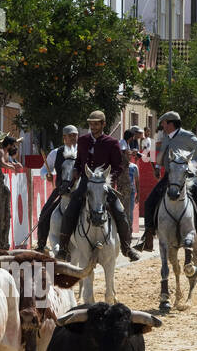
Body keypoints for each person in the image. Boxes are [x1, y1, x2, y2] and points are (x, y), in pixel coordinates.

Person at [55, 110, 140, 262]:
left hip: (103, 185)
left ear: (103, 124)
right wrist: (75, 170)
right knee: (70, 210)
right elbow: (79, 162)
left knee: (120, 212)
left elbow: (118, 166)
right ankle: (63, 247)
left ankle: (127, 247)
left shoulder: (112, 143)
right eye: (91, 124)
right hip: (85, 183)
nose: (93, 127)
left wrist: (106, 178)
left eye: (96, 124)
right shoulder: (82, 140)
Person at [138, 111, 197, 253]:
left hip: (187, 177)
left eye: (164, 123)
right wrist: (157, 167)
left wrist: (193, 165)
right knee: (149, 202)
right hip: (169, 176)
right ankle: (147, 238)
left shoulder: (187, 136)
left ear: (171, 123)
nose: (162, 126)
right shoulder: (166, 137)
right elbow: (163, 155)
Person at [35, 124, 78, 252]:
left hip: (79, 191)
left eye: (75, 135)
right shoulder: (56, 153)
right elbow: (43, 170)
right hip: (61, 191)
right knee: (45, 213)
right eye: (71, 136)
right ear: (64, 137)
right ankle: (41, 244)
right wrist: (46, 175)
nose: (74, 138)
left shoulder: (83, 152)